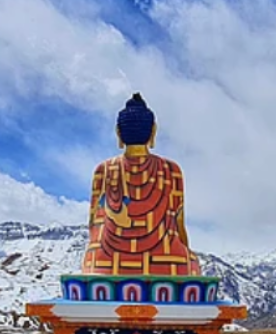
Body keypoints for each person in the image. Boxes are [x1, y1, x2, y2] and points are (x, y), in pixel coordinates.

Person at [82, 93, 201, 276]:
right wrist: (187, 255)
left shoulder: (103, 170)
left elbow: (94, 226)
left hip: (106, 262)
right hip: (166, 262)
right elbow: (178, 225)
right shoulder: (172, 170)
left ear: (118, 133)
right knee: (191, 265)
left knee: (94, 264)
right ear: (153, 132)